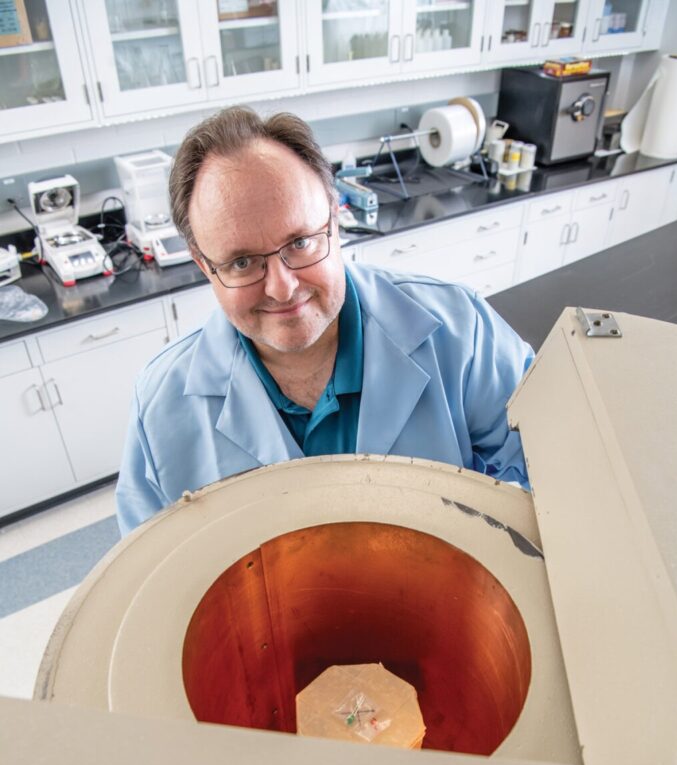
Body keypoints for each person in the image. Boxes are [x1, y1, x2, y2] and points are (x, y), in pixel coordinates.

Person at [116, 106, 533, 535]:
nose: (282, 288)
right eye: (241, 262)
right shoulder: (161, 407)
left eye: (299, 242)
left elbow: (553, 473)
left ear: (334, 220)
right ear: (205, 265)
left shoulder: (461, 331)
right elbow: (147, 576)